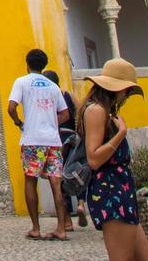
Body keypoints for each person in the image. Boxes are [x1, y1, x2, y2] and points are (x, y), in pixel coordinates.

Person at [79, 58, 148, 260]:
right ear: (116, 89)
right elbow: (94, 158)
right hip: (110, 191)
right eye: (127, 91)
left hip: (121, 189)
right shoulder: (96, 111)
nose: (127, 96)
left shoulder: (106, 111)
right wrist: (121, 133)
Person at [8, 47, 71, 241]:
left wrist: (19, 123)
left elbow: (11, 107)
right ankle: (61, 228)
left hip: (32, 139)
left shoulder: (22, 81)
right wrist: (50, 122)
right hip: (52, 140)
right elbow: (65, 113)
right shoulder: (52, 86)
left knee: (30, 180)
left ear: (27, 64)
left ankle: (35, 227)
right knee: (56, 181)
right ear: (44, 65)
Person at [45, 69, 89, 229]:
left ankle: (67, 219)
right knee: (77, 171)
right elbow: (81, 111)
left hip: (56, 139)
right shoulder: (67, 95)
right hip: (72, 137)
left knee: (59, 175)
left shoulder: (48, 99)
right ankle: (81, 204)